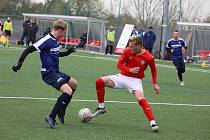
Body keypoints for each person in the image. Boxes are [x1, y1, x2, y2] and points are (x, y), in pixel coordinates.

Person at [12, 20, 78, 129]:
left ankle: (62, 109)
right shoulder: (46, 39)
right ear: (60, 30)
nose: (64, 34)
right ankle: (51, 117)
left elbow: (57, 54)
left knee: (74, 84)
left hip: (56, 72)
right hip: (48, 73)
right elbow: (28, 49)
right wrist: (19, 63)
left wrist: (68, 52)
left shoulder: (55, 40)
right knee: (68, 90)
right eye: (64, 31)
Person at [91, 35, 160, 132]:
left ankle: (153, 123)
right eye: (129, 46)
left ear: (139, 46)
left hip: (135, 81)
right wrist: (130, 70)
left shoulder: (149, 57)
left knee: (141, 100)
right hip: (122, 77)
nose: (130, 48)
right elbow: (119, 65)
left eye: (132, 46)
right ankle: (101, 108)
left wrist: (155, 84)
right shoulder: (127, 51)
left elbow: (153, 70)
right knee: (99, 81)